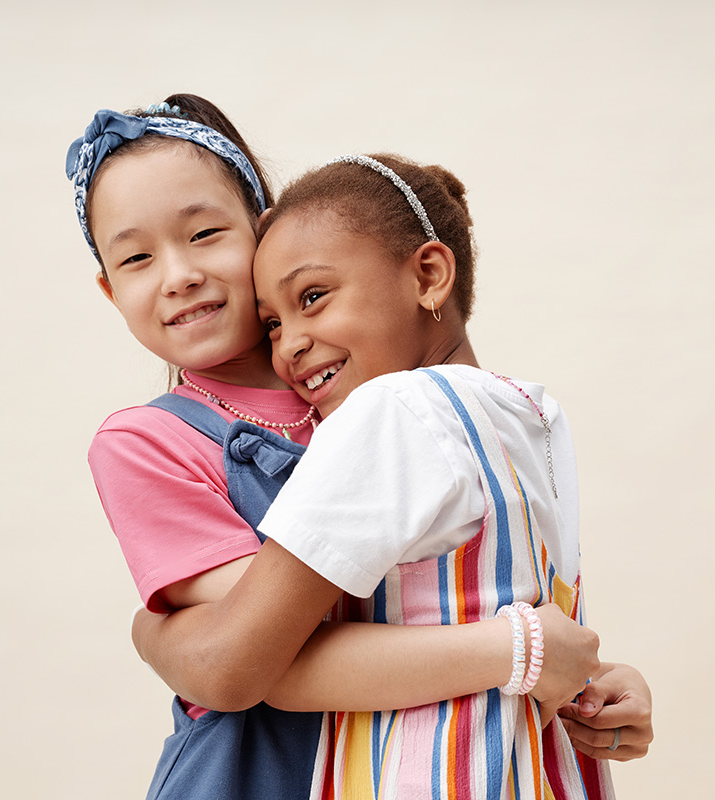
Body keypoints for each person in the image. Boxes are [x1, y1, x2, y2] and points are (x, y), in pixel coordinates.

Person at [66, 96, 650, 799]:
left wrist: (589, 679)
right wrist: (518, 651)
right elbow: (260, 655)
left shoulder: (381, 394)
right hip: (257, 776)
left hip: (408, 761)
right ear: (109, 288)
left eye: (205, 234)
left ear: (264, 230)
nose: (179, 273)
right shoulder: (150, 443)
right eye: (135, 257)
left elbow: (471, 590)